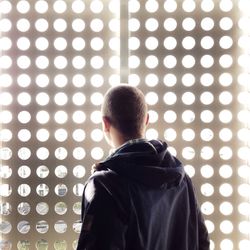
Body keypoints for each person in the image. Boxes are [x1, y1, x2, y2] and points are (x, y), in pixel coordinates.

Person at [77, 84, 210, 250]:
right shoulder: (180, 176)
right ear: (146, 120)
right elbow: (202, 241)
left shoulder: (106, 186)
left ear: (105, 123)